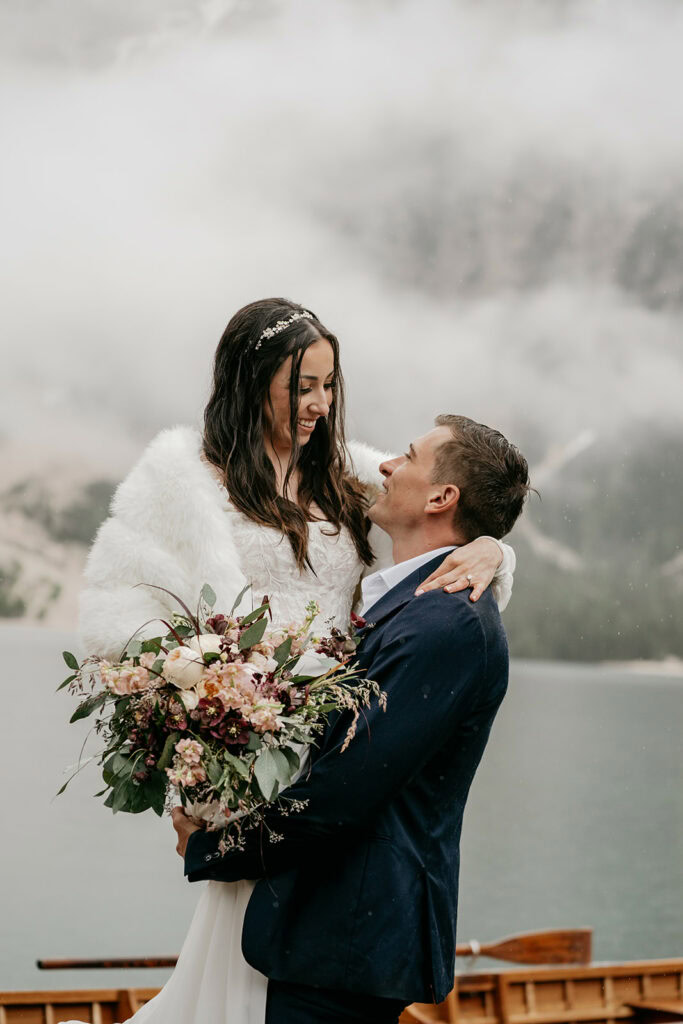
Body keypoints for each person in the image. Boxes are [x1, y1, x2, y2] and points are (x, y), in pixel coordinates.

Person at [73, 299, 516, 1024]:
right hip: (248, 769)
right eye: (302, 387)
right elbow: (117, 620)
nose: (320, 405)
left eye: (329, 384)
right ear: (251, 384)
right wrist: (205, 707)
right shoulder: (183, 481)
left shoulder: (350, 475)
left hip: (330, 776)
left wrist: (493, 551)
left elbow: (448, 516)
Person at [173, 413, 531, 1024]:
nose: (386, 465)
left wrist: (212, 847)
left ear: (442, 498)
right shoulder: (413, 605)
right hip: (328, 934)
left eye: (408, 456)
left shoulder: (445, 625)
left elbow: (342, 793)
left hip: (347, 940)